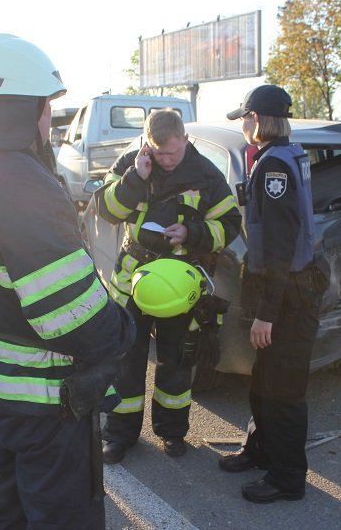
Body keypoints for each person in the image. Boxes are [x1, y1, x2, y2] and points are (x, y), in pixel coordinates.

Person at [0, 33, 135, 529]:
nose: (49, 120)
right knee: (60, 515)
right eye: (45, 107)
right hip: (43, 400)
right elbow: (73, 315)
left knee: (7, 505)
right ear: (20, 108)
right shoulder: (22, 183)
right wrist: (122, 333)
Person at [96, 109, 241, 464]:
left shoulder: (206, 174)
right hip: (132, 282)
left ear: (185, 141)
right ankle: (119, 436)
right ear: (148, 144)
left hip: (179, 285)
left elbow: (230, 223)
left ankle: (172, 433)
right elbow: (106, 210)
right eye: (160, 154)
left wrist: (192, 234)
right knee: (125, 363)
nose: (167, 161)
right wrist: (134, 179)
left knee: (176, 362)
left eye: (173, 154)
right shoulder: (133, 165)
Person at [219, 85, 329, 503]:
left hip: (289, 297)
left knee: (283, 391)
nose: (243, 123)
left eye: (245, 117)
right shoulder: (283, 155)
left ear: (260, 119)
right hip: (286, 290)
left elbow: (281, 249)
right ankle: (260, 450)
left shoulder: (274, 168)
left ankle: (287, 478)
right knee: (264, 382)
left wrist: (267, 313)